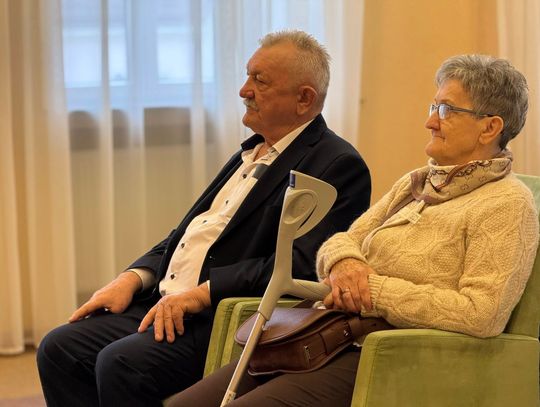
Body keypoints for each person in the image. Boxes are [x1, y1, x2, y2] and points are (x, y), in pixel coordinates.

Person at [168, 54, 540, 406]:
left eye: (446, 110)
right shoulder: (417, 182)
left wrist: (372, 291)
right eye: (433, 107)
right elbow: (342, 240)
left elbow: (481, 313)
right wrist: (346, 264)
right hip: (331, 331)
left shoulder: (506, 203)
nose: (430, 122)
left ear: (490, 128)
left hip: (394, 353)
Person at [36, 30, 371, 406]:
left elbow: (303, 265)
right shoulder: (252, 152)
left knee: (122, 363)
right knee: (59, 348)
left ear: (304, 98)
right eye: (247, 76)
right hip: (164, 298)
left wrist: (200, 294)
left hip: (222, 315)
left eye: (259, 80)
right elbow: (192, 232)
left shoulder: (337, 164)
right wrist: (132, 277)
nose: (244, 90)